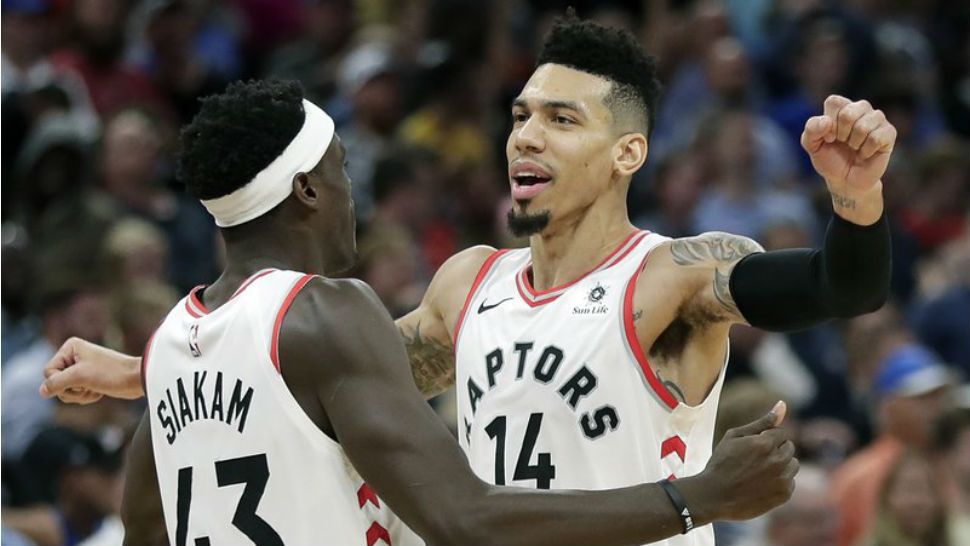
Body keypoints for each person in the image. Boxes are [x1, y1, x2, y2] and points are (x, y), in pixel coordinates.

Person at [43, 14, 895, 546]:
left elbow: (836, 289)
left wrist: (856, 203)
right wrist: (137, 371)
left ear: (627, 153)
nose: (526, 135)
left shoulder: (672, 274)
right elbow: (332, 371)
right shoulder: (468, 283)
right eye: (521, 114)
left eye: (562, 120)